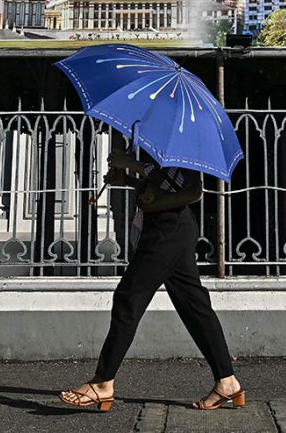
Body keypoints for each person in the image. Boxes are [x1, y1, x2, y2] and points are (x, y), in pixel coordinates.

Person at [58, 145, 244, 412]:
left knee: (128, 299)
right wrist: (128, 179)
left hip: (167, 232)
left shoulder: (178, 141)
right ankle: (227, 381)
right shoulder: (160, 140)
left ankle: (102, 383)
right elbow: (162, 186)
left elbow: (185, 185)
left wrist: (131, 164)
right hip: (170, 229)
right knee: (194, 306)